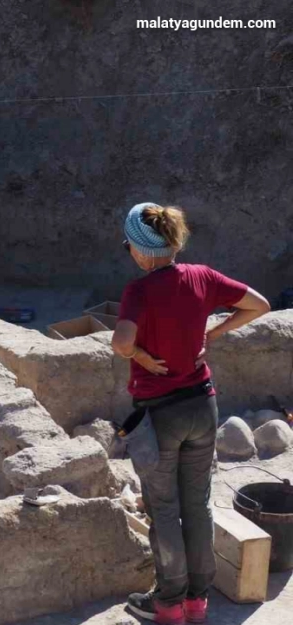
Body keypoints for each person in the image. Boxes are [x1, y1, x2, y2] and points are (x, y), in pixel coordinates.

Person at [111, 203, 270, 624]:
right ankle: (197, 603)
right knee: (197, 505)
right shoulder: (202, 276)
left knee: (163, 509)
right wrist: (212, 333)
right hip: (203, 403)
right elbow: (259, 304)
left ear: (143, 252)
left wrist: (141, 356)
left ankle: (167, 605)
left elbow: (121, 343)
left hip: (160, 413)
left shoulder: (139, 291)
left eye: (128, 245)